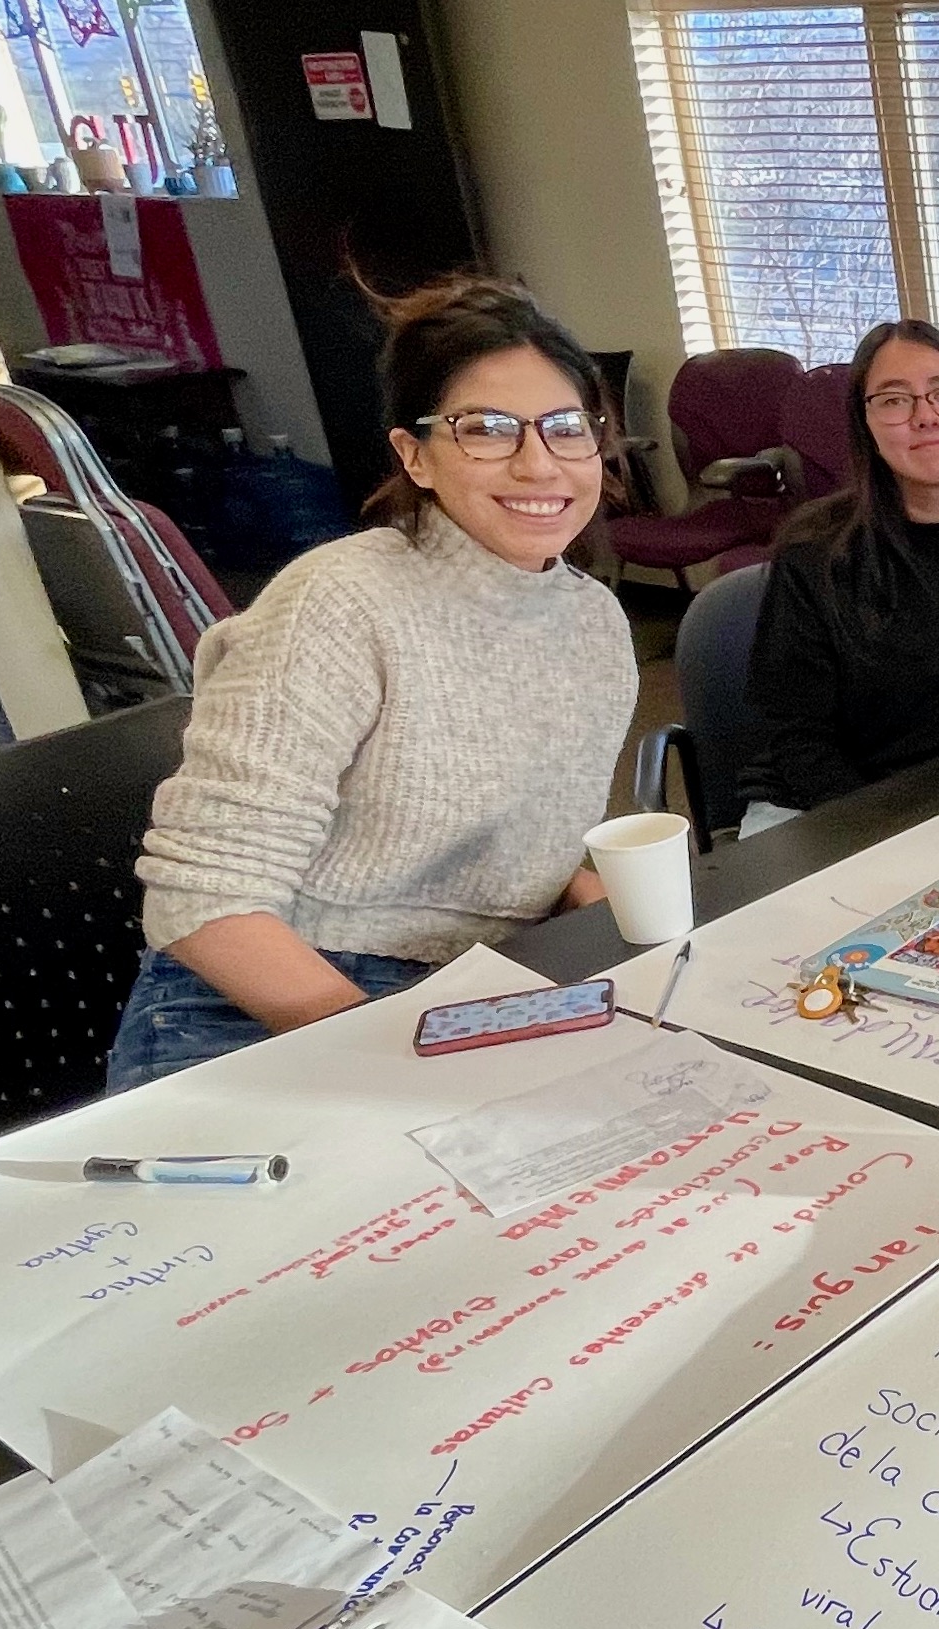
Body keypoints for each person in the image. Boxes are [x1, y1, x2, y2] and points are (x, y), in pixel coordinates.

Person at [109, 276, 636, 1091]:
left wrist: (624, 913)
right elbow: (204, 899)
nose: (539, 461)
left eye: (566, 427)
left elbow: (531, 836)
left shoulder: (593, 621)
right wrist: (393, 1054)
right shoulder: (341, 603)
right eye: (486, 430)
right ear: (415, 455)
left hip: (473, 990)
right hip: (257, 1003)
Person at [743, 319, 939, 832]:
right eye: (894, 401)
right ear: (863, 425)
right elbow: (795, 737)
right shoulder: (816, 551)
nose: (926, 416)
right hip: (828, 804)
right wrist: (894, 828)